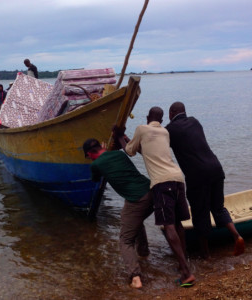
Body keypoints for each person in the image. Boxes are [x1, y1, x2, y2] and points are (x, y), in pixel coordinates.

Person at [115, 106, 195, 287]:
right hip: (177, 179)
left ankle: (186, 272)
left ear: (147, 116)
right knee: (178, 224)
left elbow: (129, 151)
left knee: (168, 226)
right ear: (162, 118)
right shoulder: (165, 132)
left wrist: (120, 136)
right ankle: (183, 264)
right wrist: (130, 140)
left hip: (161, 183)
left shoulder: (142, 129)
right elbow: (150, 152)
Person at [166, 101, 245, 259]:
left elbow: (157, 146)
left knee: (200, 213)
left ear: (172, 113)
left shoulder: (170, 130)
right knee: (218, 208)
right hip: (216, 168)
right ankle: (237, 236)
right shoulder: (195, 122)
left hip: (197, 176)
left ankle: (206, 254)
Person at [83, 138, 153, 289]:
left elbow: (95, 179)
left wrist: (95, 162)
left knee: (125, 240)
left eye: (88, 156)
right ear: (101, 146)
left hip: (136, 198)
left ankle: (135, 277)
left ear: (90, 154)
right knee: (135, 221)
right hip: (150, 190)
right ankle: (144, 253)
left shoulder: (96, 164)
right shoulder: (120, 155)